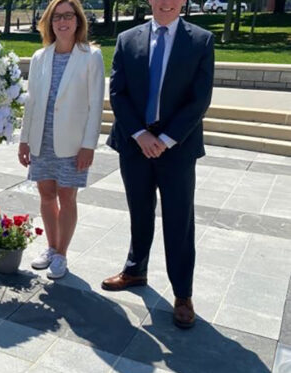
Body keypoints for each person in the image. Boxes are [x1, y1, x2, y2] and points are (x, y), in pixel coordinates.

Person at [101, 0, 214, 329]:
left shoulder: (201, 41)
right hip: (134, 144)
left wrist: (165, 139)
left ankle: (182, 293)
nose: (165, 2)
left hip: (177, 148)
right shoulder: (127, 39)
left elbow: (200, 98)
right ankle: (135, 270)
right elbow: (117, 92)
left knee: (179, 220)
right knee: (139, 209)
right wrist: (140, 134)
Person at [18, 0, 104, 280]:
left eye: (68, 16)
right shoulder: (40, 56)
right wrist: (24, 140)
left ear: (78, 20)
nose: (62, 22)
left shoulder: (90, 56)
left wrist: (89, 144)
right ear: (49, 22)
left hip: (73, 142)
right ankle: (51, 248)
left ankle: (62, 254)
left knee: (67, 197)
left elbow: (95, 105)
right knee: (46, 195)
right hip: (42, 139)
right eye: (57, 17)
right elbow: (30, 103)